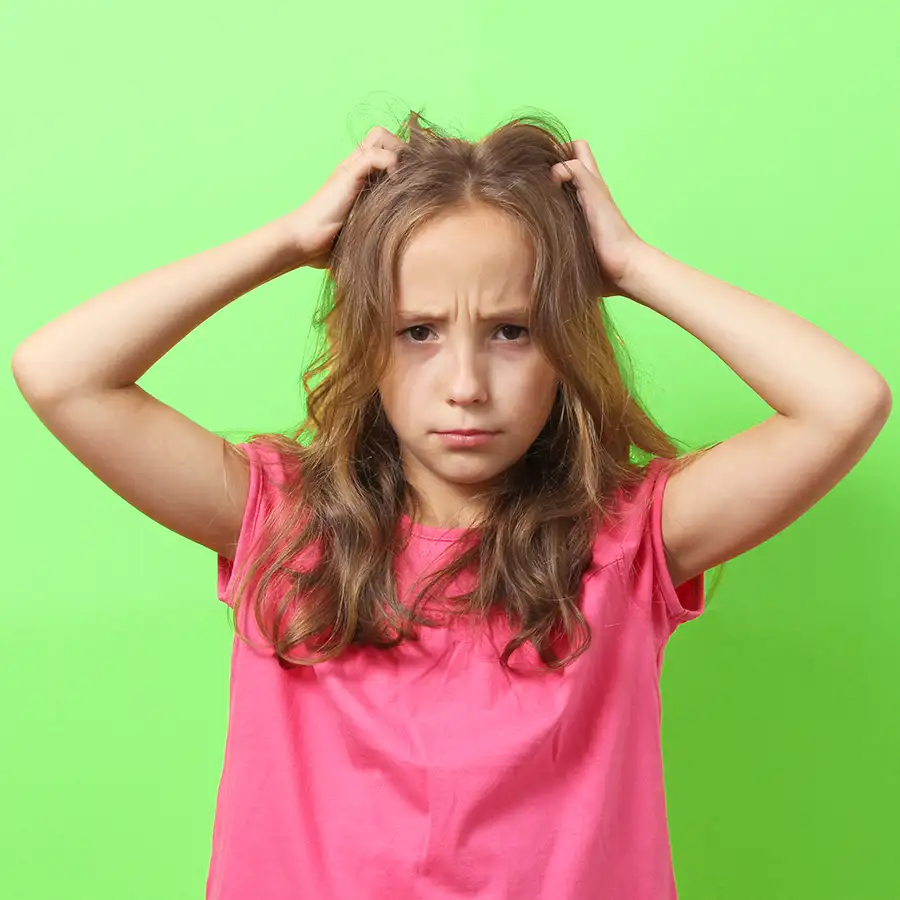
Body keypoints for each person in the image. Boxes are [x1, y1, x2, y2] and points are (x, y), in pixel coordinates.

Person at [11, 109, 892, 900]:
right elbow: (59, 374)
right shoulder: (282, 521)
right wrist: (287, 241)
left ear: (564, 344)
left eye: (512, 330)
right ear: (366, 343)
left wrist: (630, 264)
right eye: (418, 332)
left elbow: (844, 403)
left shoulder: (627, 541)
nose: (464, 385)